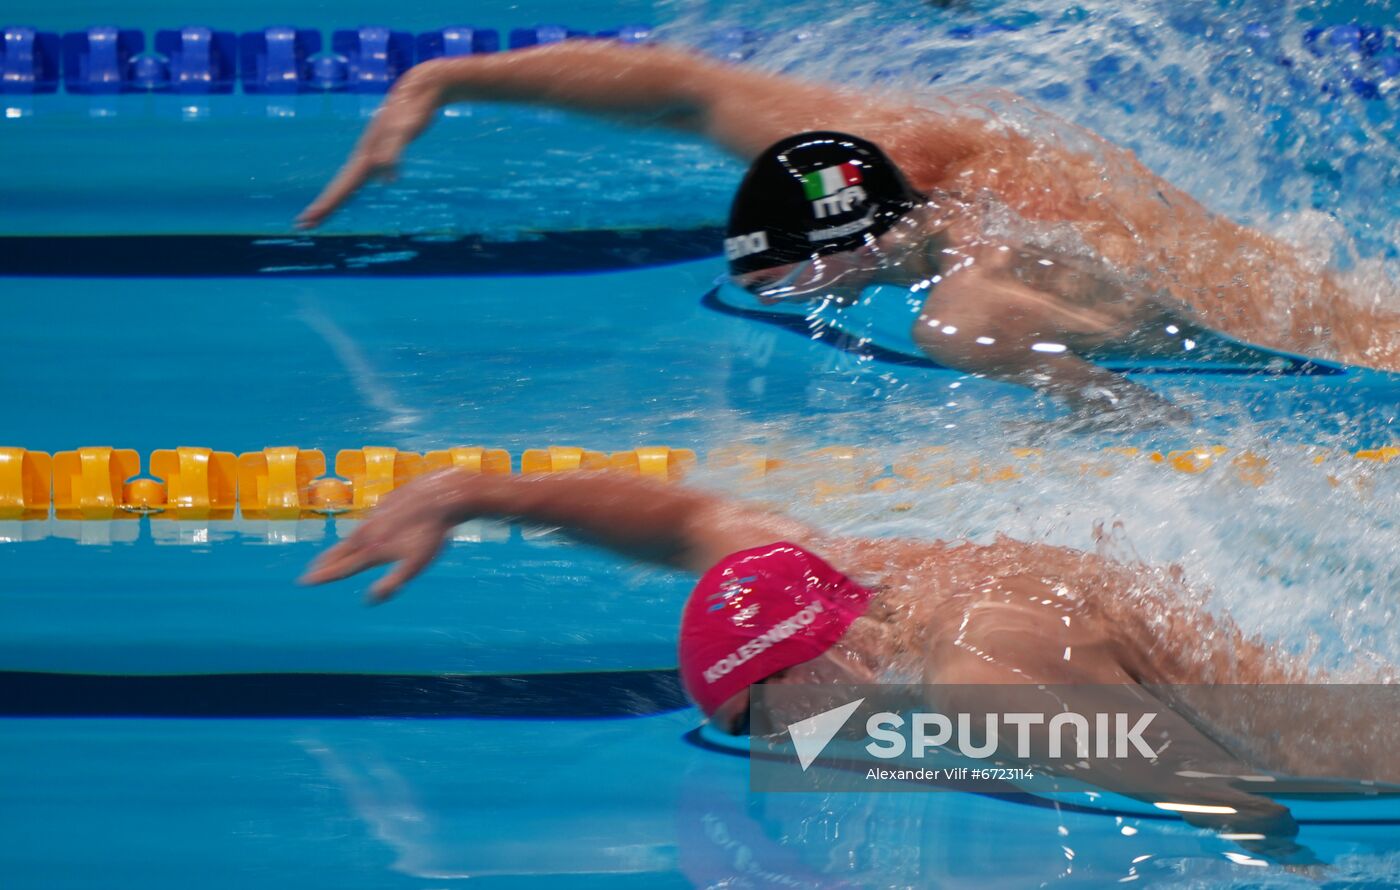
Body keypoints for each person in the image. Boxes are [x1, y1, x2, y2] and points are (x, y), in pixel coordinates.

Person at [300, 467, 1393, 862]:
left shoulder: (978, 685)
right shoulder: (865, 581)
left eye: (758, 720)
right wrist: (471, 491)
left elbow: (1242, 810)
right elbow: (685, 520)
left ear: (805, 670)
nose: (779, 744)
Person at [295, 40, 1399, 417]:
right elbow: (678, 88)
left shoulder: (967, 312)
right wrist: (448, 76)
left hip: (1363, 363)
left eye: (823, 279)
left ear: (866, 240)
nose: (829, 299)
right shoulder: (919, 149)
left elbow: (1150, 434)